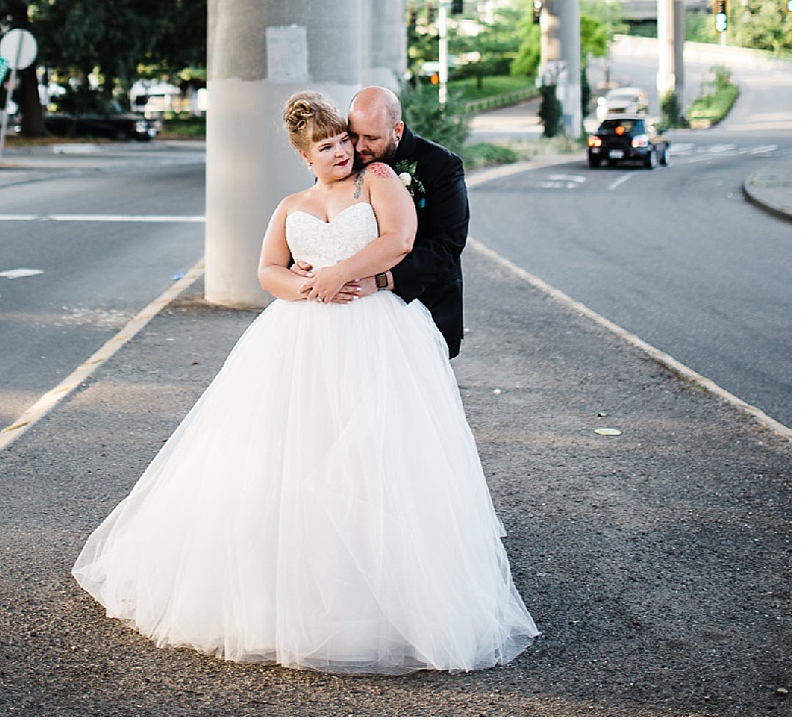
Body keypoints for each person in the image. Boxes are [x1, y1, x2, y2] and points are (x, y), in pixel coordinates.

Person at [72, 91, 537, 675]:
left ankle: (389, 595)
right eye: (328, 144)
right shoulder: (291, 203)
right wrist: (305, 288)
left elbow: (400, 239)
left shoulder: (381, 181)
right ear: (305, 156)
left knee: (376, 454)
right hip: (299, 336)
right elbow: (267, 270)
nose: (343, 150)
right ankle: (287, 593)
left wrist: (343, 272)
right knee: (289, 451)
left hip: (377, 328)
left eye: (345, 139)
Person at [303, 85, 469, 357]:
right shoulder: (345, 158)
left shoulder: (441, 166)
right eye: (353, 135)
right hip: (351, 308)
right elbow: (323, 214)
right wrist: (307, 262)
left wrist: (382, 281)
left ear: (398, 131)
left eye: (371, 138)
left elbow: (447, 244)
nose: (358, 147)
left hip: (421, 300)